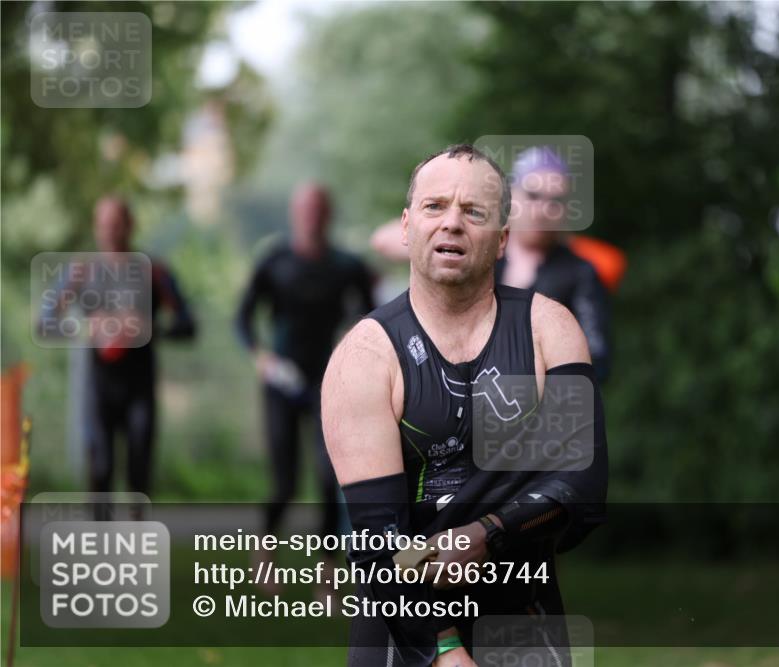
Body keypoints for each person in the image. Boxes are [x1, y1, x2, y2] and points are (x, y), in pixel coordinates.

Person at [323, 145, 608, 666]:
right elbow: (378, 537)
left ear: (501, 240)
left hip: (522, 619)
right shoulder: (362, 358)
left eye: (473, 212)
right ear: (406, 227)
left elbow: (583, 487)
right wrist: (446, 649)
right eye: (435, 207)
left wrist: (489, 533)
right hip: (402, 628)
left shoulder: (550, 329)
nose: (452, 223)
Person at [370, 146, 615, 380]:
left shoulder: (579, 271)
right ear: (512, 194)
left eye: (555, 201)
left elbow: (597, 358)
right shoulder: (479, 250)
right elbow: (382, 240)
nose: (543, 209)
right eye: (533, 195)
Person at [235, 183, 376, 590]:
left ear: (328, 215)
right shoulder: (274, 261)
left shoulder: (347, 266)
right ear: (296, 213)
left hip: (328, 383)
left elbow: (370, 319)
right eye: (306, 209)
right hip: (281, 382)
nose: (312, 216)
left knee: (330, 474)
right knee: (285, 481)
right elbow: (242, 318)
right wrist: (260, 358)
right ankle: (264, 554)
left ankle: (326, 573)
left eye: (319, 209)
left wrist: (351, 340)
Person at [39, 196, 197, 497]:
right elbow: (45, 321)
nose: (111, 232)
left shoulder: (154, 272)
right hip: (98, 387)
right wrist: (88, 328)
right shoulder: (81, 272)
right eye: (104, 225)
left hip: (139, 386)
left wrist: (148, 328)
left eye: (117, 225)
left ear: (130, 226)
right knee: (100, 470)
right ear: (96, 228)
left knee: (139, 474)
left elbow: (188, 324)